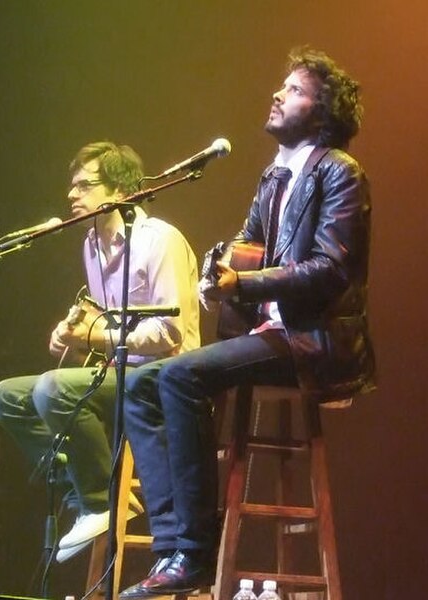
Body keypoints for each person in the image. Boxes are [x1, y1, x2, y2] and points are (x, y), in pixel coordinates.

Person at [120, 47, 376, 597]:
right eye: (281, 87)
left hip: (312, 340)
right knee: (137, 384)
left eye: (296, 90)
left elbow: (331, 269)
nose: (278, 95)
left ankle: (193, 550)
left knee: (176, 376)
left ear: (323, 112)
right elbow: (249, 245)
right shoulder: (276, 174)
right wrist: (220, 268)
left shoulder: (340, 174)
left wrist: (247, 283)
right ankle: (173, 546)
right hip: (270, 334)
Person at [0, 141, 200, 563]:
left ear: (120, 192)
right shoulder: (91, 243)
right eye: (73, 186)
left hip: (160, 378)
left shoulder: (160, 240)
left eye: (85, 186)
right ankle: (85, 493)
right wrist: (70, 330)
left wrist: (92, 337)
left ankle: (99, 501)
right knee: (5, 397)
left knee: (53, 389)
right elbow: (105, 315)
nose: (72, 195)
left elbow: (171, 333)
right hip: (117, 373)